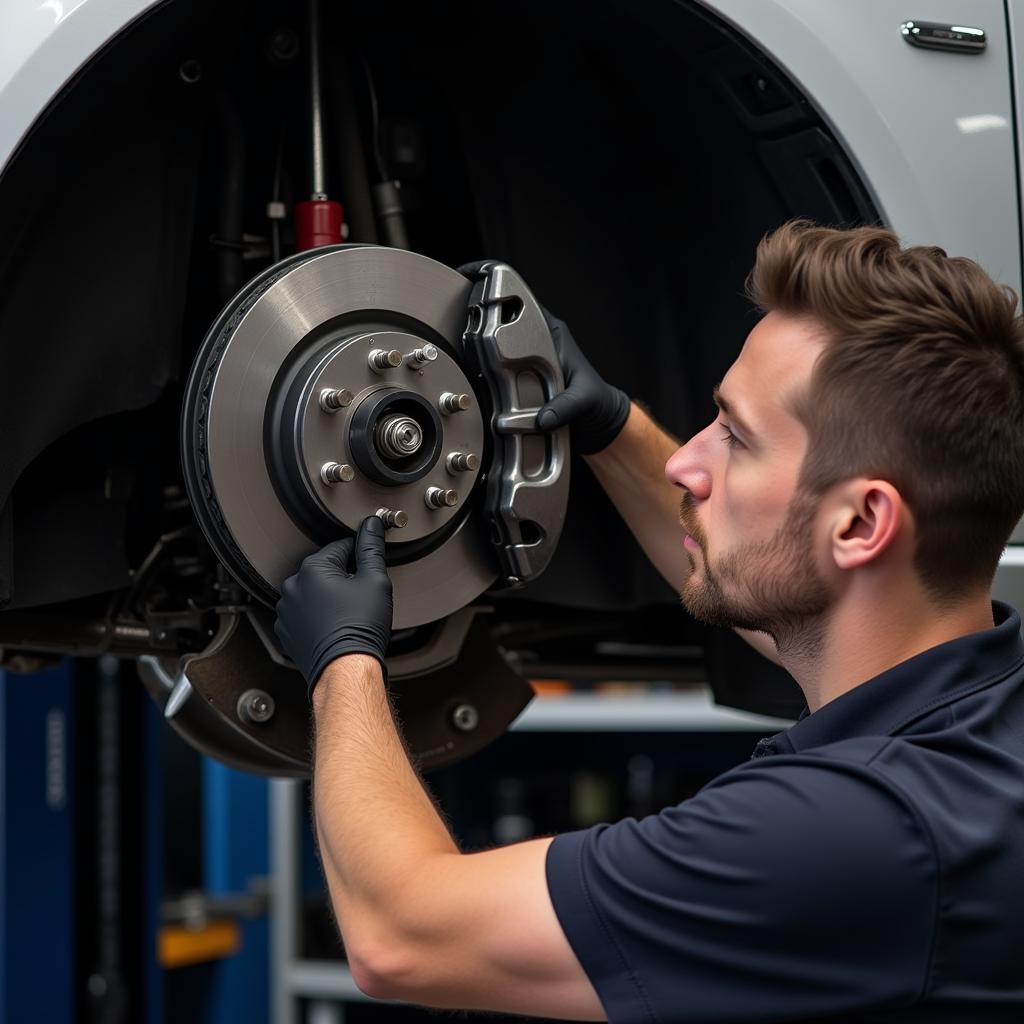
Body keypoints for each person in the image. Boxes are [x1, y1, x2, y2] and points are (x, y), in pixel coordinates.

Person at [273, 221, 1024, 1022]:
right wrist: (611, 425)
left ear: (860, 525)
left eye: (735, 437)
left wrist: (344, 658)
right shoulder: (982, 714)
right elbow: (778, 578)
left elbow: (401, 935)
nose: (685, 463)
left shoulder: (852, 835)